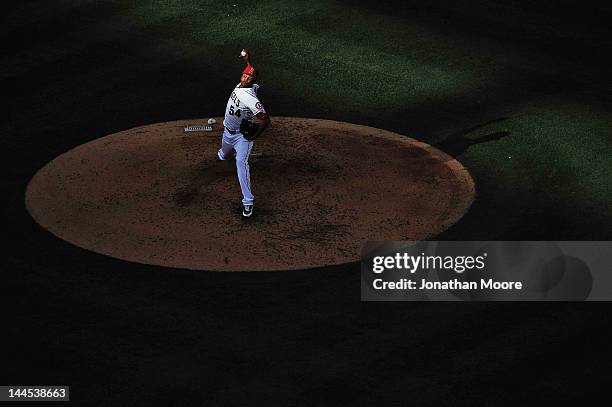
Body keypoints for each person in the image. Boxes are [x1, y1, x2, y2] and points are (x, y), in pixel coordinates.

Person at [217, 49, 270, 218]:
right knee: (224, 155)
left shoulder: (250, 97)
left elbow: (265, 119)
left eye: (249, 77)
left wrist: (253, 136)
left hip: (242, 137)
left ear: (253, 81)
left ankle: (248, 201)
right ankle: (225, 154)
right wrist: (247, 60)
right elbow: (250, 69)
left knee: (241, 162)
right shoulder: (244, 84)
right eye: (244, 75)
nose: (246, 78)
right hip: (227, 133)